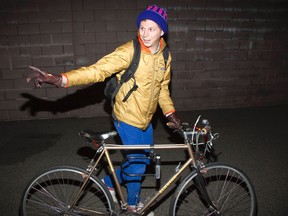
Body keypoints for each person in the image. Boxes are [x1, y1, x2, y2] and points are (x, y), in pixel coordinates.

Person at [27, 4, 180, 214]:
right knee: (137, 167)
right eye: (142, 27)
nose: (145, 33)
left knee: (143, 160)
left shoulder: (165, 57)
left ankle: (109, 182)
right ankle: (133, 206)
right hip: (126, 116)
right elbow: (97, 71)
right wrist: (61, 80)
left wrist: (170, 112)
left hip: (147, 119)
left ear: (162, 31)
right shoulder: (129, 51)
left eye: (151, 29)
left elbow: (162, 87)